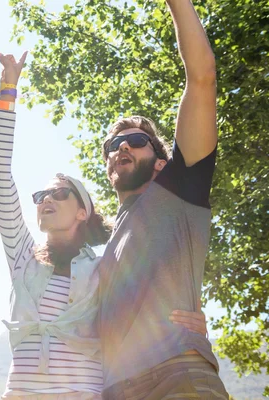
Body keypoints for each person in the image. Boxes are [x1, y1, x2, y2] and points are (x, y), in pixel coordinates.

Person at [0, 52, 209, 399]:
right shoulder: (23, 260)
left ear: (82, 212)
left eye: (60, 193)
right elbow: (0, 176)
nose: (47, 198)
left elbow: (144, 299)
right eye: (42, 194)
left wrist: (191, 318)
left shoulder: (101, 269)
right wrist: (7, 91)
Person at [97, 1, 229, 398]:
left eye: (136, 142)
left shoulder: (178, 190)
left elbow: (202, 78)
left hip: (179, 376)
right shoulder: (105, 248)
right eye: (113, 145)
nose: (122, 148)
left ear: (161, 162)